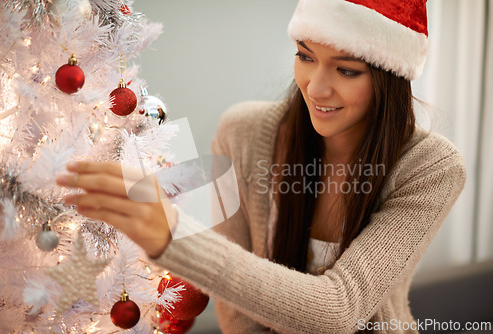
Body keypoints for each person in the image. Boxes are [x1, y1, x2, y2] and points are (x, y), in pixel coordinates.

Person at [56, 0, 467, 333]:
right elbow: (238, 315)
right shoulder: (242, 132)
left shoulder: (431, 167)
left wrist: (176, 236)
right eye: (305, 57)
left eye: (346, 69)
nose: (316, 87)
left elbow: (341, 309)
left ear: (390, 77)